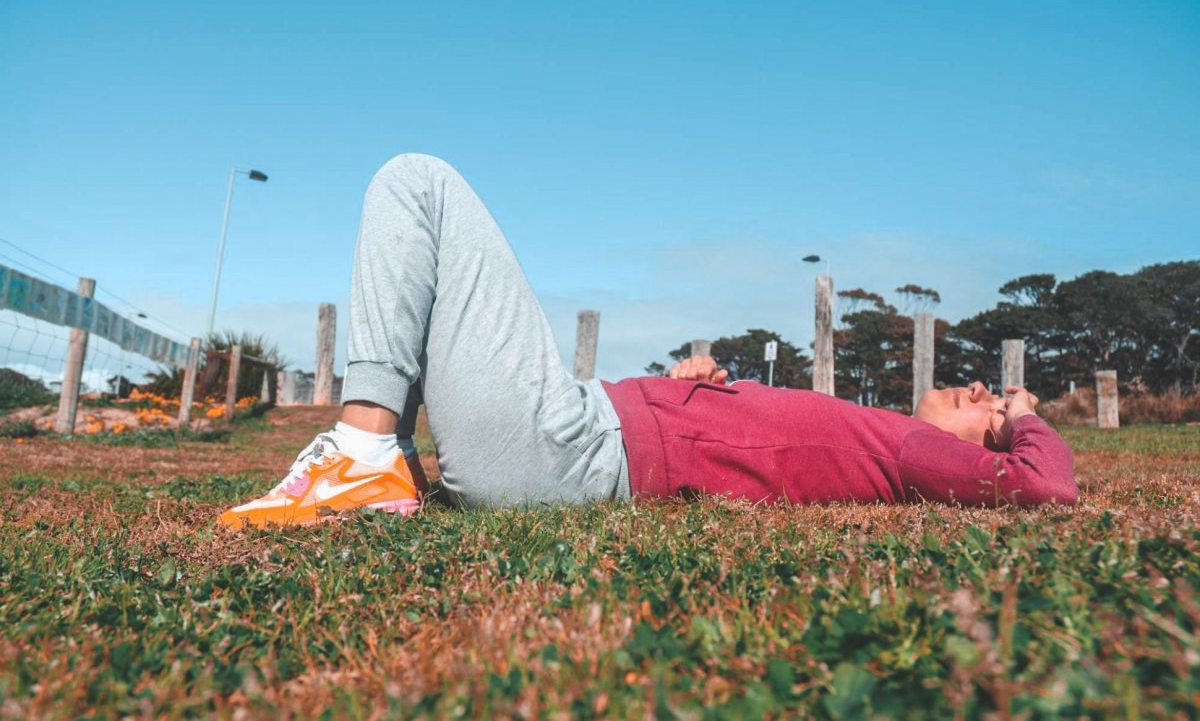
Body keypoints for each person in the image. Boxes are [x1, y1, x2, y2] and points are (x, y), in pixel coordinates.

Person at [218, 155, 1077, 530]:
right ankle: (382, 464)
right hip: (580, 433)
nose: (980, 391)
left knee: (418, 184)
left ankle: (366, 455)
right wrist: (693, 386)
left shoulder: (909, 450)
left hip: (570, 447)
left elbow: (1042, 487)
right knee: (426, 224)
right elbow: (749, 447)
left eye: (990, 410)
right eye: (988, 390)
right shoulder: (878, 433)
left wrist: (1027, 417)